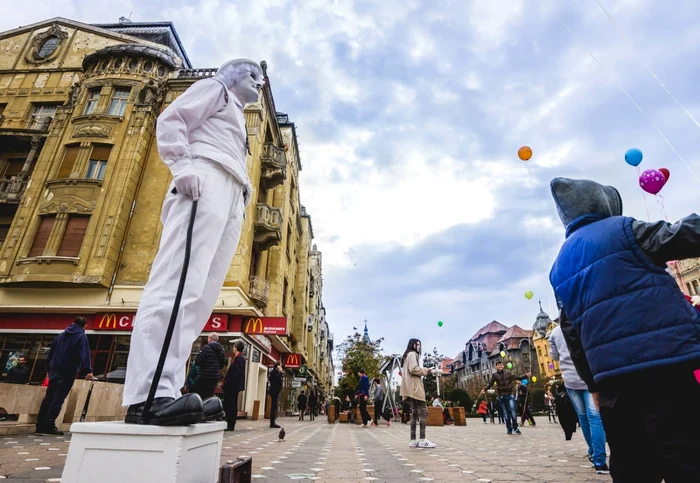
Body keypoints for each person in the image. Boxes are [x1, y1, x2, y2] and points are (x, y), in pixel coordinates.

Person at [122, 59, 264, 426]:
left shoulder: (234, 111)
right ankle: (148, 395)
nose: (259, 83)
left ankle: (168, 388)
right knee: (177, 283)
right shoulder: (215, 89)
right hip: (205, 177)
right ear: (233, 74)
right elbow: (172, 119)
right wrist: (182, 166)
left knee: (200, 297)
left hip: (231, 192)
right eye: (253, 75)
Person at [548, 177, 700, 482]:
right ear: (602, 204)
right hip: (666, 363)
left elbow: (572, 334)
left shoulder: (559, 266)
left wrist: (593, 385)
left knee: (632, 462)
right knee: (686, 456)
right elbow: (687, 234)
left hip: (613, 384)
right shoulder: (624, 230)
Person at [550, 324, 608, 474]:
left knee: (583, 418)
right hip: (589, 378)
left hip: (570, 380)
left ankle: (593, 452)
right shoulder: (584, 322)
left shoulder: (555, 332)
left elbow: (554, 356)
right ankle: (599, 461)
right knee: (595, 418)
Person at [36, 317, 94, 435]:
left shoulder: (61, 336)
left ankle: (40, 424)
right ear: (85, 326)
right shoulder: (81, 337)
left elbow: (51, 353)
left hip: (55, 370)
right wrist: (88, 370)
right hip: (68, 371)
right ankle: (49, 424)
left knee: (49, 397)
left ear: (73, 323)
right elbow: (84, 354)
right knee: (58, 398)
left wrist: (48, 368)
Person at [400, 338, 436, 448]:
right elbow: (413, 369)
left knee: (415, 412)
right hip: (415, 387)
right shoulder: (412, 354)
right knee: (423, 411)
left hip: (409, 387)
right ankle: (422, 439)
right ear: (412, 345)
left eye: (420, 344)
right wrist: (426, 370)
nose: (419, 346)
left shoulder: (407, 355)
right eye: (417, 344)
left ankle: (413, 440)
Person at [480, 361, 531, 435]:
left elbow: (517, 377)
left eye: (501, 365)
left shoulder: (508, 373)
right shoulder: (495, 375)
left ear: (503, 366)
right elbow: (490, 384)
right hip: (501, 396)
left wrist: (526, 376)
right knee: (506, 414)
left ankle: (515, 427)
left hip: (509, 395)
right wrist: (485, 389)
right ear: (496, 367)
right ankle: (509, 428)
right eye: (498, 365)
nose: (500, 366)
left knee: (513, 411)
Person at [193, 333, 225, 401]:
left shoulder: (206, 348)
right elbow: (222, 365)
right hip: (214, 378)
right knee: (209, 397)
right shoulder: (221, 350)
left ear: (210, 339)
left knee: (200, 397)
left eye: (208, 338)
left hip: (203, 377)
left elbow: (197, 361)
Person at [223, 340, 246, 431]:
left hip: (233, 387)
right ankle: (229, 422)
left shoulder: (240, 358)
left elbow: (237, 373)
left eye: (233, 347)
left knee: (231, 405)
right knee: (229, 404)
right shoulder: (238, 358)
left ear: (236, 348)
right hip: (232, 386)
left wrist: (230, 383)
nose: (233, 348)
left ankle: (230, 424)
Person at [268, 362, 283, 428]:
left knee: (274, 407)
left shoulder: (275, 372)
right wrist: (280, 372)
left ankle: (273, 422)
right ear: (277, 367)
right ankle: (272, 423)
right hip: (274, 391)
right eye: (280, 366)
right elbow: (275, 379)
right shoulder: (274, 372)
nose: (281, 367)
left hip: (275, 391)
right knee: (273, 407)